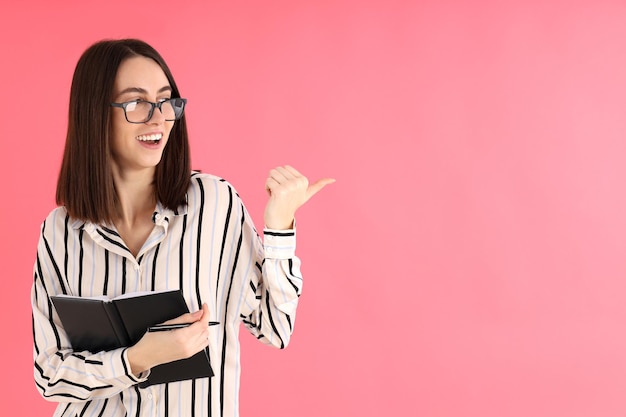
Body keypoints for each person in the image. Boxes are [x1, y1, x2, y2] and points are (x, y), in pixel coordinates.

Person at [31, 38, 334, 417]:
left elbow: (275, 327)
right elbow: (49, 374)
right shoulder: (60, 231)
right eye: (137, 102)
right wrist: (135, 360)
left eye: (165, 100)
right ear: (95, 114)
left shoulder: (216, 205)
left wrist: (280, 228)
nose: (159, 118)